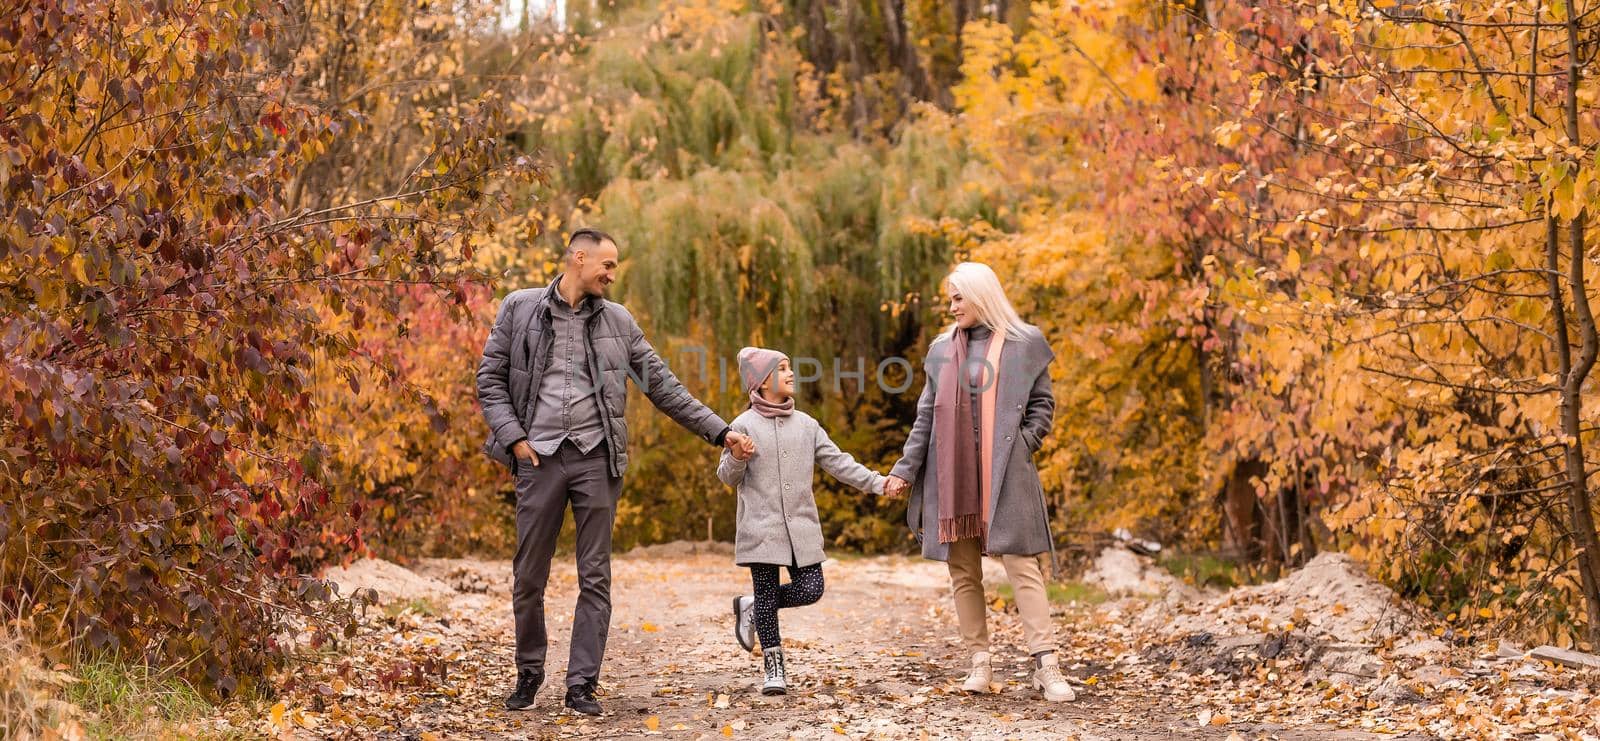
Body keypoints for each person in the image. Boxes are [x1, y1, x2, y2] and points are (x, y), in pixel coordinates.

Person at [476, 228, 756, 714]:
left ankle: (581, 684)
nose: (611, 274)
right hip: (537, 460)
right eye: (607, 265)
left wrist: (720, 431)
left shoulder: (619, 322)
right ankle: (528, 674)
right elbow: (490, 380)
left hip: (596, 460)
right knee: (528, 576)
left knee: (595, 576)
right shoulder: (519, 308)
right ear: (578, 258)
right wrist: (514, 439)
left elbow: (663, 386)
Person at [883, 262, 1075, 702]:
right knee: (963, 571)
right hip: (952, 478)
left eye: (958, 298)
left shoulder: (1025, 343)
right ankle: (980, 663)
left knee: (1023, 566)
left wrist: (1025, 443)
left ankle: (1047, 665)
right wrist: (903, 469)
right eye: (950, 299)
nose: (951, 307)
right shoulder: (939, 351)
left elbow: (1042, 403)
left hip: (1005, 472)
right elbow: (926, 418)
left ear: (980, 295)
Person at [717, 347, 885, 695]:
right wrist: (736, 456)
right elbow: (727, 477)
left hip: (802, 529)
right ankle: (773, 668)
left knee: (811, 589)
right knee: (766, 591)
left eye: (790, 367)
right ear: (762, 383)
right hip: (761, 529)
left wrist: (878, 482)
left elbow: (839, 463)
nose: (791, 373)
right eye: (782, 369)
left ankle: (752, 606)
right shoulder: (742, 425)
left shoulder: (807, 425)